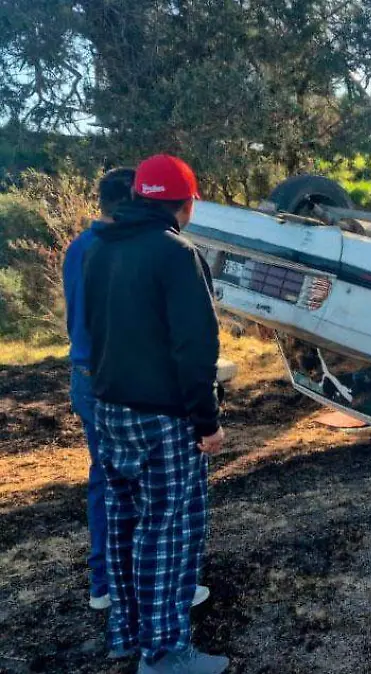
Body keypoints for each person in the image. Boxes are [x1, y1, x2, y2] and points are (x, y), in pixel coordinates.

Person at [84, 154, 227, 674]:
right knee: (168, 532)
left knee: (125, 523)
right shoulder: (176, 254)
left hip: (109, 410)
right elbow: (196, 347)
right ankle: (164, 653)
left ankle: (127, 633)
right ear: (185, 203)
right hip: (163, 418)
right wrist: (206, 421)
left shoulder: (100, 250)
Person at [63, 167, 133, 609]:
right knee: (140, 483)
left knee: (102, 479)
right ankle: (139, 586)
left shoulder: (78, 247)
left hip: (84, 376)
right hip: (116, 379)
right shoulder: (122, 250)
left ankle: (103, 582)